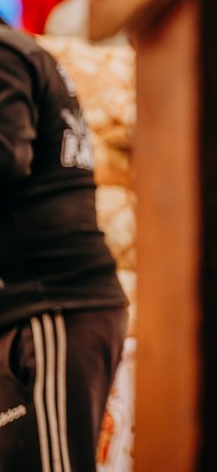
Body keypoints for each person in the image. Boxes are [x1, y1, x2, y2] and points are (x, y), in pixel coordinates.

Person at [0, 24, 127, 472]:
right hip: (46, 304)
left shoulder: (5, 52)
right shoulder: (24, 51)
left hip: (57, 303)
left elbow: (6, 157)